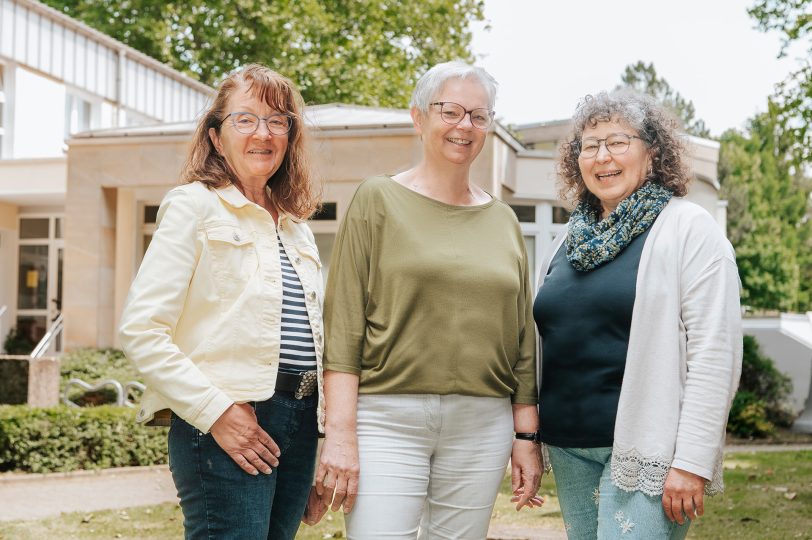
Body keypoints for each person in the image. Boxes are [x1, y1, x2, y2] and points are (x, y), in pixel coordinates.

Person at [316, 61, 542, 539]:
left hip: (483, 424)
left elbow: (522, 339)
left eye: (479, 116)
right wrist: (339, 433)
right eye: (451, 111)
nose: (465, 126)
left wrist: (526, 436)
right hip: (386, 419)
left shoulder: (503, 220)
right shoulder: (376, 200)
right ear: (419, 117)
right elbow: (344, 325)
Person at [119, 64, 325, 540]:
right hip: (226, 418)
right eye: (246, 119)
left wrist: (321, 438)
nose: (263, 133)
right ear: (215, 135)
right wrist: (216, 411)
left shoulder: (297, 227)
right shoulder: (193, 205)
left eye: (278, 121)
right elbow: (142, 330)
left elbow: (318, 338)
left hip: (298, 418)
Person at [533, 89, 743, 539]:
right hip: (569, 448)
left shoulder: (689, 229)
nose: (602, 156)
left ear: (652, 151)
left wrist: (691, 462)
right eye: (590, 145)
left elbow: (715, 353)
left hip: (646, 450)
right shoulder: (568, 239)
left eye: (618, 142)